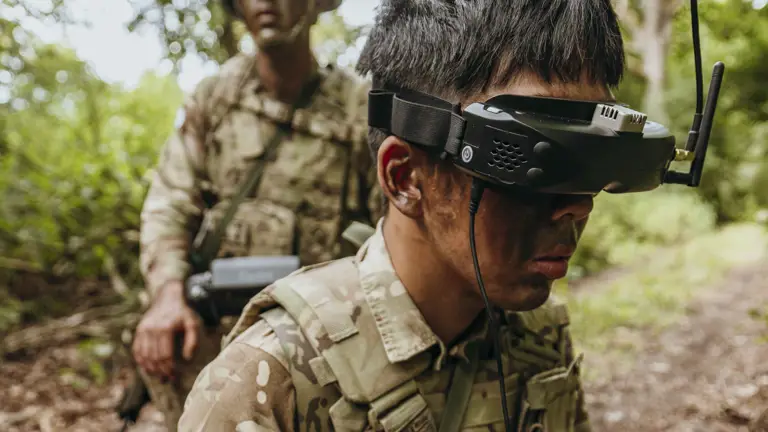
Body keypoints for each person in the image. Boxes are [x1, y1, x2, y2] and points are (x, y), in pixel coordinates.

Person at [179, 0, 628, 430]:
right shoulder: (269, 383)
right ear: (405, 178)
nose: (578, 205)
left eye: (589, 163)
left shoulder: (540, 338)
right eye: (531, 161)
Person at [130, 0, 378, 430]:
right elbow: (170, 203)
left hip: (320, 336)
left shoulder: (358, 108)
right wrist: (167, 296)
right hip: (213, 331)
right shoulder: (216, 98)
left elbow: (395, 226)